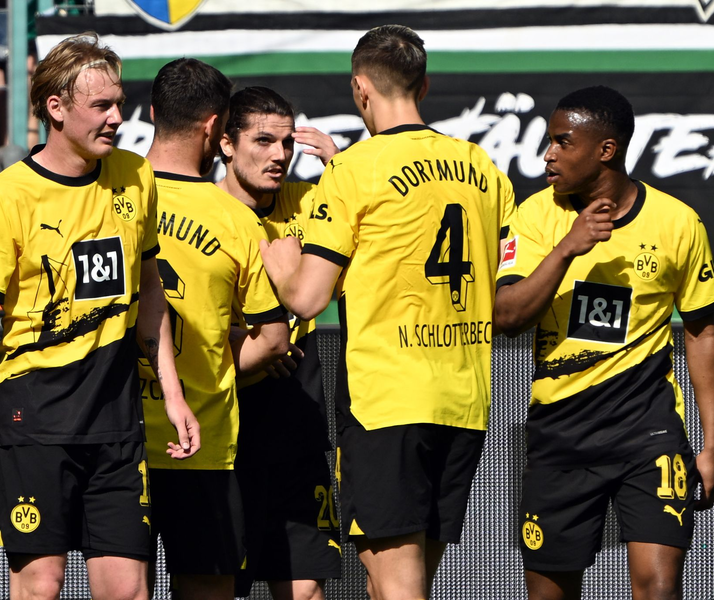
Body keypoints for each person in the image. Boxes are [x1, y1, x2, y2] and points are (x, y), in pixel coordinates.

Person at [0, 32, 199, 600]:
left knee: (128, 588)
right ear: (56, 108)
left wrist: (172, 392)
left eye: (118, 102)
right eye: (101, 106)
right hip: (34, 420)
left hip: (118, 423)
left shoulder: (135, 177)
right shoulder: (7, 197)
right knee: (41, 585)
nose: (118, 117)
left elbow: (148, 291)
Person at [259, 25, 516, 600]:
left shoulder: (356, 171)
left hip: (388, 402)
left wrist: (281, 266)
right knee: (404, 581)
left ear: (360, 89)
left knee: (397, 586)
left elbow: (307, 299)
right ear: (423, 86)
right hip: (464, 400)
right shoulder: (482, 166)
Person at [494, 85, 714, 600]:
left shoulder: (679, 222)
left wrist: (713, 442)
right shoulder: (534, 217)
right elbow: (507, 316)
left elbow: (704, 333)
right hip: (560, 440)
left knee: (659, 589)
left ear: (605, 150)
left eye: (562, 142)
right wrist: (567, 248)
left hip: (650, 436)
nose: (547, 154)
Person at [141, 60, 289, 600]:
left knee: (120, 584)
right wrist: (212, 365)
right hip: (200, 439)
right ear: (214, 127)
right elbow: (274, 339)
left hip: (114, 435)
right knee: (207, 583)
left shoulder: (109, 194)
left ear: (153, 113)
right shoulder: (234, 218)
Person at [216, 86, 341, 600]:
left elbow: (369, 225)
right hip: (223, 422)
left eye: (287, 142)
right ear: (226, 144)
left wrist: (339, 168)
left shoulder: (310, 201)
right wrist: (249, 346)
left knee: (305, 589)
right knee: (220, 586)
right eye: (263, 140)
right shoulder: (198, 211)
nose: (279, 155)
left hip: (298, 415)